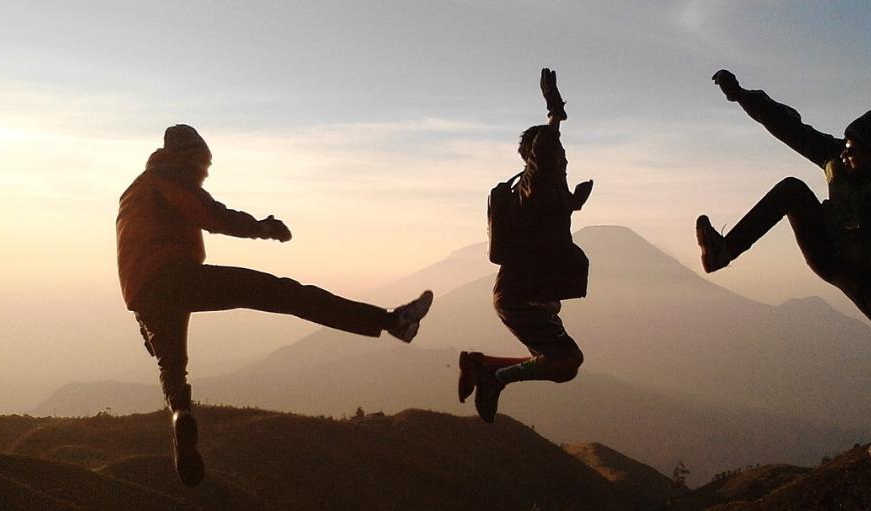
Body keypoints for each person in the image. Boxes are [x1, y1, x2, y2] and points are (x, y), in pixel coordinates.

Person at [117, 124, 433, 486]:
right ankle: (394, 322)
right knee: (283, 293)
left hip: (143, 294)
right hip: (174, 277)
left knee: (172, 368)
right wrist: (263, 228)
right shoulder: (169, 174)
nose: (204, 175)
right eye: (203, 166)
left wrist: (145, 323)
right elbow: (213, 215)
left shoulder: (134, 191)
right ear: (190, 157)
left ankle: (180, 417)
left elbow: (132, 262)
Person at [696, 70, 871, 493]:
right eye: (847, 146)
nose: (848, 156)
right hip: (826, 252)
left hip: (867, 273)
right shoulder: (834, 155)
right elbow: (788, 125)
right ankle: (723, 252)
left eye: (858, 152)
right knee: (792, 188)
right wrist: (740, 95)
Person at [457, 68, 594, 424]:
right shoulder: (534, 188)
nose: (564, 159)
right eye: (559, 154)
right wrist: (554, 115)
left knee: (563, 365)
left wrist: (573, 203)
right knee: (567, 361)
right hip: (520, 297)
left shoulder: (538, 196)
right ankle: (492, 376)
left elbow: (542, 226)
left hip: (526, 296)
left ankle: (483, 365)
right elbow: (545, 153)